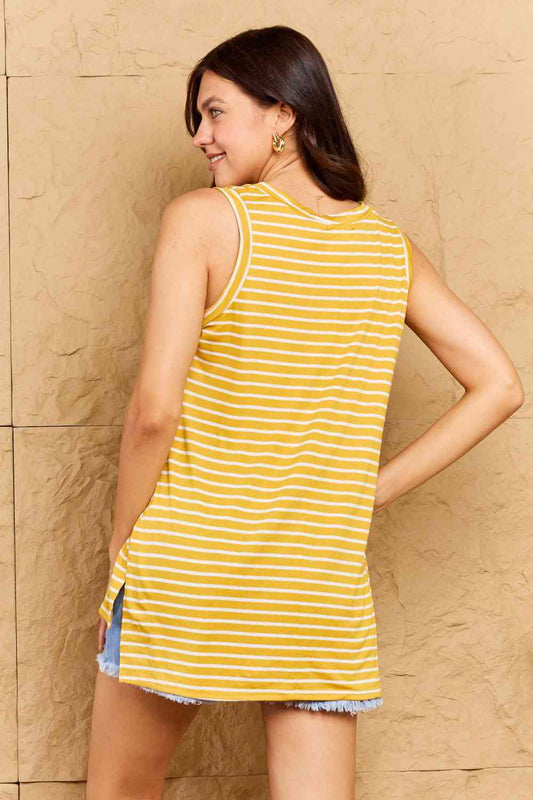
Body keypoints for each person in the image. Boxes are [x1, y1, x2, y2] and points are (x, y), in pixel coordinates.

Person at [85, 25, 524, 800]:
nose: (200, 136)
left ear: (283, 113)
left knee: (121, 789)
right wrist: (364, 494)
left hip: (190, 560)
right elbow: (499, 385)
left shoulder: (205, 219)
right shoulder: (385, 249)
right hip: (313, 577)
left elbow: (153, 410)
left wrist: (121, 546)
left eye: (215, 112)